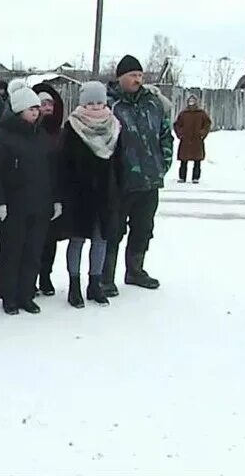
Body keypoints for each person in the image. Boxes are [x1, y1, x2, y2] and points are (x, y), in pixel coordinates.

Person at [102, 55, 173, 296]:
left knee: (144, 227)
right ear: (120, 77)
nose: (137, 79)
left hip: (149, 180)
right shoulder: (110, 105)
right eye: (132, 75)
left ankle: (135, 270)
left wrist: (162, 164)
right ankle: (106, 276)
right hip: (121, 182)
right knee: (114, 230)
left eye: (140, 75)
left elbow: (166, 134)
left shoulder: (153, 103)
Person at [0, 85, 60, 315]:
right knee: (12, 251)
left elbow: (53, 170)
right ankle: (9, 295)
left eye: (37, 109)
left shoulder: (42, 136)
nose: (36, 113)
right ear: (18, 110)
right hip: (14, 205)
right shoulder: (3, 137)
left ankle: (26, 294)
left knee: (33, 251)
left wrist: (55, 199)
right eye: (31, 109)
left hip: (40, 204)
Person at [59, 82, 120, 308]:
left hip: (106, 194)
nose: (95, 107)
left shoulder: (114, 126)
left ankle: (94, 284)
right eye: (90, 103)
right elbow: (63, 164)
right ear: (82, 103)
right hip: (79, 194)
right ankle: (74, 285)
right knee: (77, 240)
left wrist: (117, 191)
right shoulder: (73, 127)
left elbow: (120, 162)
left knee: (100, 240)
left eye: (100, 102)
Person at [33, 82, 65, 297]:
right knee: (32, 241)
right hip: (31, 193)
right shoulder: (30, 132)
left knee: (50, 241)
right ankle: (30, 278)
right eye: (42, 103)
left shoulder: (60, 134)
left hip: (54, 193)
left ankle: (45, 276)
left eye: (50, 103)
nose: (47, 107)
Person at [174, 95, 212, 183]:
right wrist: (180, 134)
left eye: (193, 101)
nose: (191, 102)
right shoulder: (183, 113)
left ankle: (195, 177)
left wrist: (202, 133)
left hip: (197, 140)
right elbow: (177, 125)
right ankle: (182, 177)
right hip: (185, 140)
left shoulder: (201, 113)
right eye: (190, 101)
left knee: (197, 160)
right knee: (183, 160)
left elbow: (207, 124)